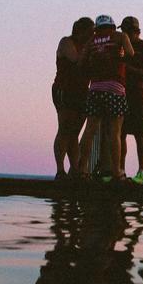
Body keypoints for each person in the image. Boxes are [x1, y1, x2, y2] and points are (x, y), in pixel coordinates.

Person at [76, 15, 134, 181]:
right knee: (115, 132)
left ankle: (82, 170)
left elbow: (81, 62)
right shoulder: (120, 36)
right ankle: (116, 172)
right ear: (113, 26)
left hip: (95, 87)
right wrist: (118, 59)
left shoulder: (92, 40)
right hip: (115, 87)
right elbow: (131, 54)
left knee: (89, 129)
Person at [52, 17, 95, 180]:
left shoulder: (88, 47)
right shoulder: (66, 42)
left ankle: (75, 170)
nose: (93, 35)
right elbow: (76, 60)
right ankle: (60, 170)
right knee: (64, 128)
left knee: (75, 132)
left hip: (82, 91)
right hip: (65, 89)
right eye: (91, 32)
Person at [117, 16, 143, 184]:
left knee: (140, 134)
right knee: (120, 134)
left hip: (138, 95)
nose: (124, 34)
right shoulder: (118, 45)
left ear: (136, 32)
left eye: (127, 31)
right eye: (123, 31)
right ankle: (120, 170)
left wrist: (128, 69)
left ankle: (141, 172)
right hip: (120, 94)